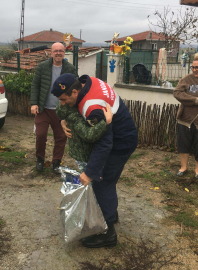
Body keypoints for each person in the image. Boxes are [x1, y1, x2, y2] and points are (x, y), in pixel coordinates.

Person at [51, 73, 138, 248]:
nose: (62, 103)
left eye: (63, 99)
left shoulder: (92, 108)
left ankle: (107, 233)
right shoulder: (88, 82)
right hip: (124, 134)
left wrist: (89, 172)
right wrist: (63, 118)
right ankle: (110, 215)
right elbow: (65, 109)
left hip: (120, 143)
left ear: (75, 92)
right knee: (106, 180)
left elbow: (104, 143)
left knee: (101, 181)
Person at [30, 42, 78, 172]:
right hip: (43, 108)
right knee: (40, 134)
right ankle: (40, 159)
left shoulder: (70, 68)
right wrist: (34, 103)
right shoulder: (42, 67)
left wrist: (72, 107)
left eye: (61, 51)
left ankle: (56, 162)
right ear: (51, 53)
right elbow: (35, 85)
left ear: (64, 53)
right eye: (55, 51)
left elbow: (76, 88)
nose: (58, 53)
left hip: (61, 110)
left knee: (61, 137)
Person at [56, 103, 112, 170]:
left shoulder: (76, 104)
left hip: (84, 151)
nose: (62, 102)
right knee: (90, 176)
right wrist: (105, 122)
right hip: (84, 154)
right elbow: (88, 135)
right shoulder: (74, 114)